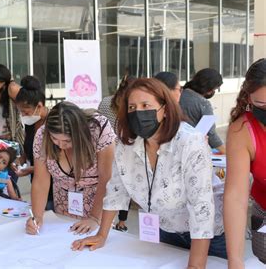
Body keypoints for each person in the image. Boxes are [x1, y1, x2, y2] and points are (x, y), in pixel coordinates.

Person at [72, 78, 226, 266]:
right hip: (165, 230)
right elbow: (116, 191)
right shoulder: (126, 145)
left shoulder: (189, 141)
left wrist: (195, 264)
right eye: (132, 107)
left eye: (146, 105)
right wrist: (102, 235)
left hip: (210, 239)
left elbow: (201, 207)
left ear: (166, 109)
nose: (138, 112)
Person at [25, 101, 116, 235]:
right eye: (55, 139)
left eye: (67, 141)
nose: (60, 145)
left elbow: (107, 178)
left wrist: (95, 218)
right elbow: (40, 181)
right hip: (63, 207)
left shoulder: (98, 129)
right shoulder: (42, 135)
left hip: (98, 206)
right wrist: (37, 216)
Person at [224, 58, 266, 267]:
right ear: (248, 98)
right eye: (261, 104)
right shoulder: (243, 131)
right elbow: (235, 197)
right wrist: (235, 260)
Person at [98, 75, 135, 232]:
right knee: (119, 187)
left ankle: (115, 221)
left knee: (115, 187)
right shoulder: (129, 106)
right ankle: (119, 221)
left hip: (111, 151)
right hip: (119, 151)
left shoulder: (108, 102)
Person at [14, 75, 54, 209]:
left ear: (40, 105)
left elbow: (59, 161)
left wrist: (32, 169)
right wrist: (20, 160)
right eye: (21, 112)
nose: (24, 116)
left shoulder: (55, 123)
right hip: (37, 183)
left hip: (56, 187)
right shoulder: (31, 123)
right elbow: (29, 149)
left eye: (25, 112)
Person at [179, 68, 225, 153]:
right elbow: (211, 135)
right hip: (191, 150)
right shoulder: (204, 104)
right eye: (214, 90)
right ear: (209, 89)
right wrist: (226, 152)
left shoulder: (178, 94)